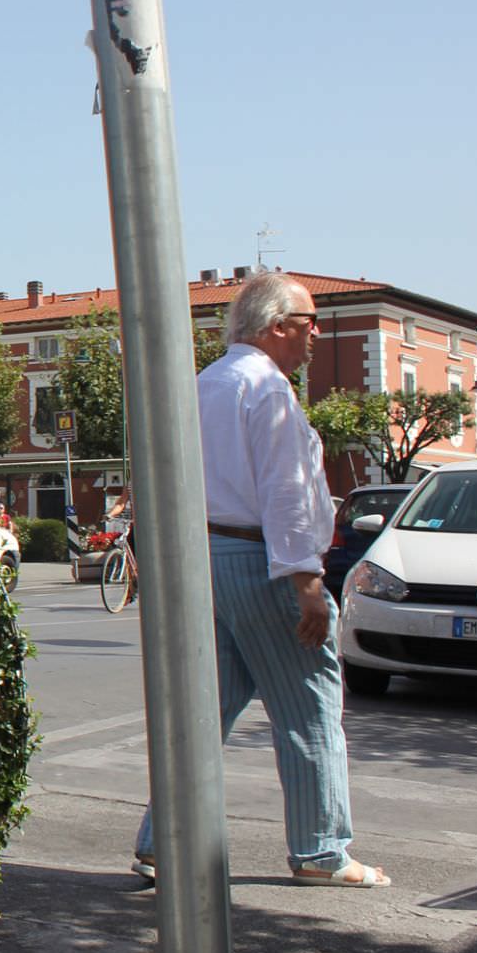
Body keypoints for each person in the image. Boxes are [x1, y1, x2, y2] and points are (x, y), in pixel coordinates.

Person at [132, 272, 388, 888]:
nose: (314, 335)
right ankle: (321, 850)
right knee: (310, 705)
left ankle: (160, 842)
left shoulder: (202, 384)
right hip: (261, 559)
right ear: (277, 327)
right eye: (308, 323)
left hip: (203, 560)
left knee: (205, 709)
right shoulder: (266, 389)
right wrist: (306, 580)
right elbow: (285, 491)